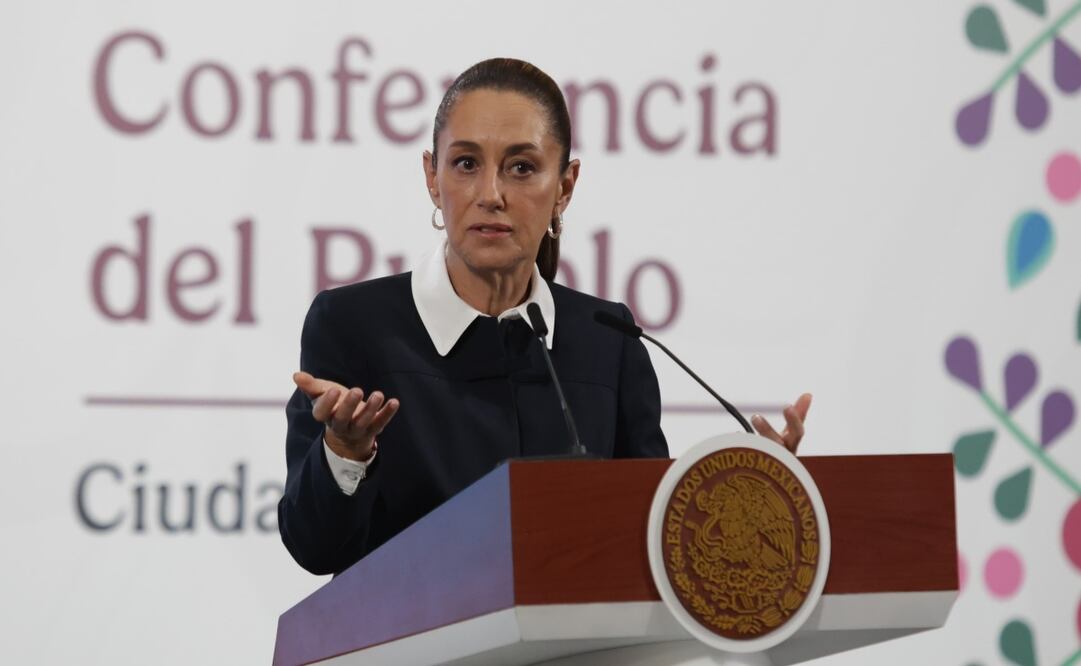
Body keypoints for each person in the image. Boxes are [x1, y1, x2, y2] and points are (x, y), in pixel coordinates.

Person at [278, 58, 812, 576]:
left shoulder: (609, 340)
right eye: (466, 164)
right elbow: (314, 547)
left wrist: (751, 493)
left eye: (522, 167)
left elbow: (651, 539)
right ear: (432, 177)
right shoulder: (354, 325)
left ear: (565, 186)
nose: (491, 195)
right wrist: (344, 452)